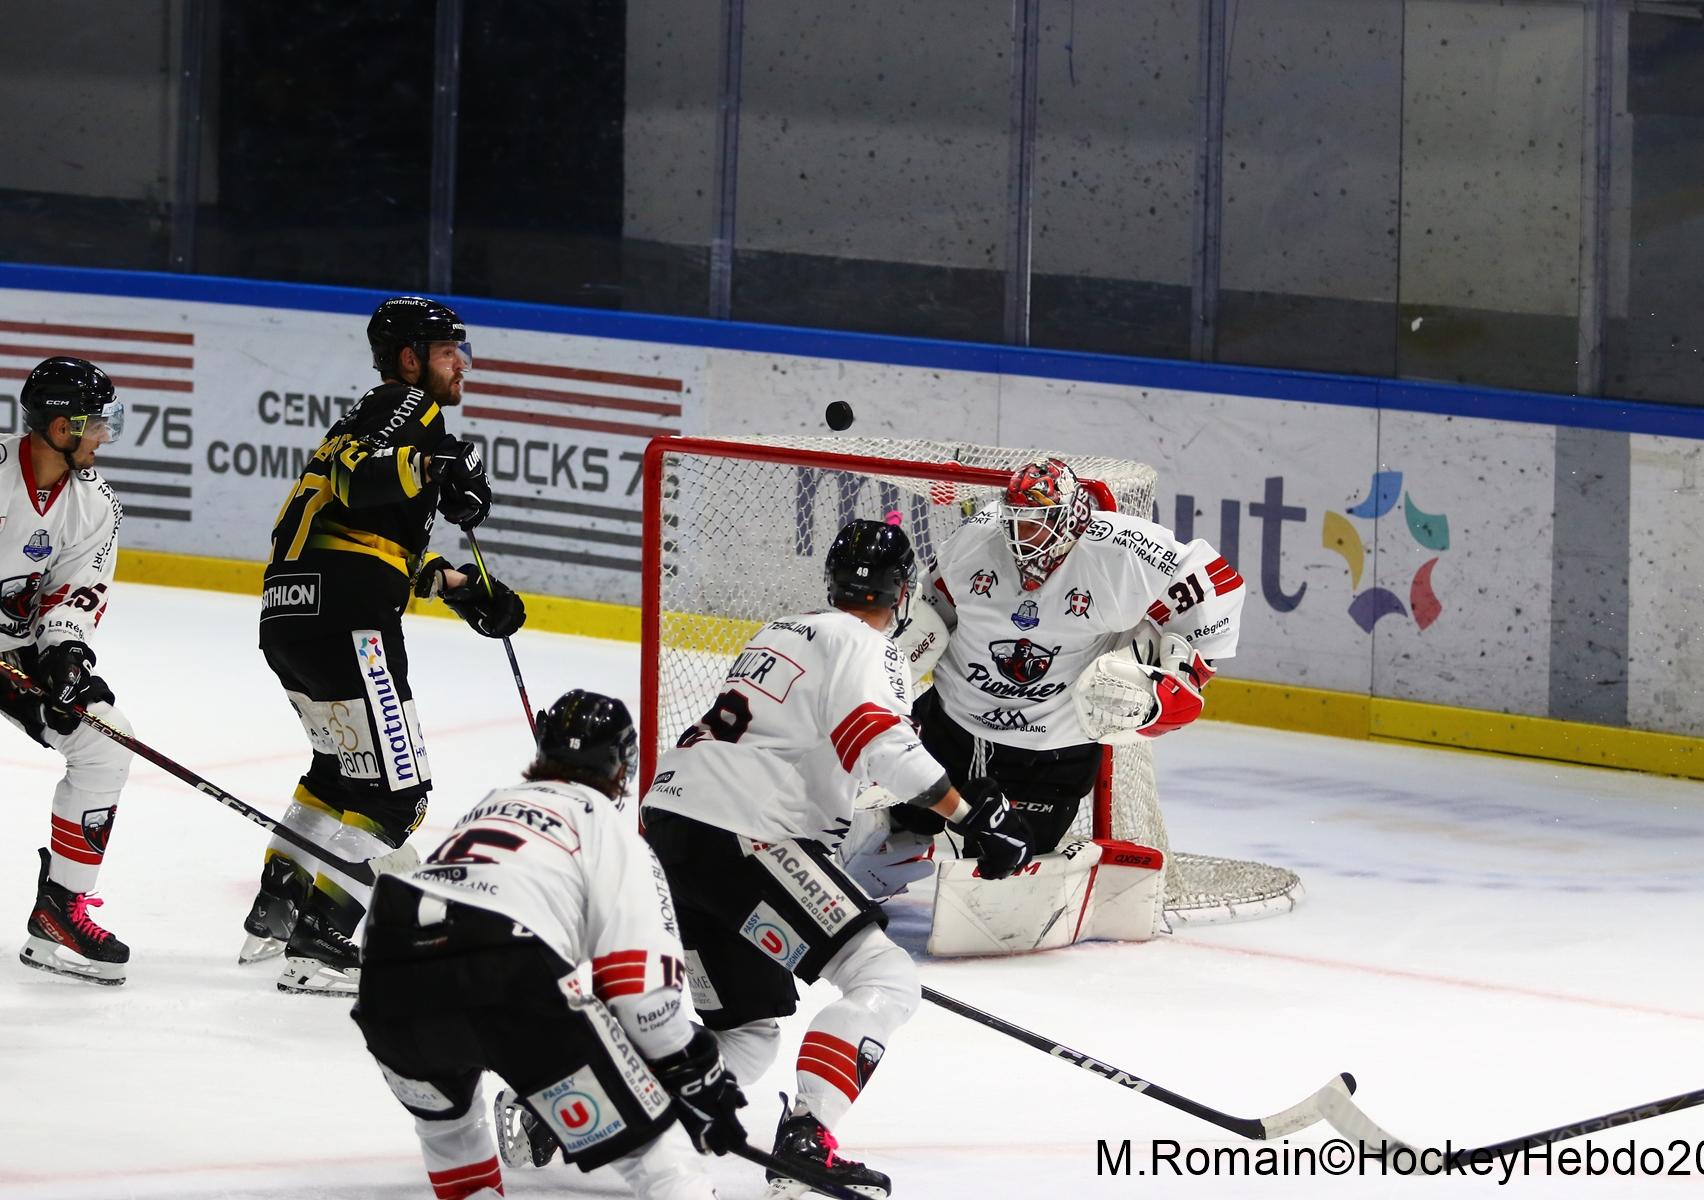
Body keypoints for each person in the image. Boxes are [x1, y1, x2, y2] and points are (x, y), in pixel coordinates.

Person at [631, 518, 1030, 1198]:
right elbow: (880, 747)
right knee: (883, 978)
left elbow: (816, 754)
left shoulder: (783, 630)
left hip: (673, 828)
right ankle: (808, 1142)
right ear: (903, 594)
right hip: (749, 833)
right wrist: (973, 818)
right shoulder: (869, 648)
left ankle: (586, 1112)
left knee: (748, 1036)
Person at [353, 689, 747, 1200]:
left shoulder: (491, 805)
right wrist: (698, 1077)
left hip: (389, 977)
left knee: (449, 1131)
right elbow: (641, 991)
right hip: (507, 972)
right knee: (662, 1159)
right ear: (622, 765)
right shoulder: (608, 829)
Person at [242, 295, 526, 995]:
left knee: (340, 771)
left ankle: (276, 910)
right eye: (448, 349)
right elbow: (357, 475)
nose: (461, 363)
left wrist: (458, 584)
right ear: (410, 358)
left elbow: (365, 539)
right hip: (348, 620)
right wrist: (436, 470)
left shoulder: (383, 417)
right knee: (398, 795)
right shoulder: (407, 407)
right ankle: (322, 938)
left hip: (294, 613)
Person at [889, 456, 1244, 858]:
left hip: (1053, 750)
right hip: (954, 726)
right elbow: (932, 608)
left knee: (1007, 859)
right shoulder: (980, 537)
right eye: (1016, 519)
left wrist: (1189, 671)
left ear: (1071, 517)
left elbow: (1215, 580)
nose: (1021, 533)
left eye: (1035, 521)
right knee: (896, 821)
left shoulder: (1119, 550)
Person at [0, 357, 134, 985]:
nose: (105, 435)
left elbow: (74, 593)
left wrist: (67, 657)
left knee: (106, 742)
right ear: (60, 426)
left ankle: (60, 907)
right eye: (97, 424)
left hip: (15, 646)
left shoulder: (96, 502)